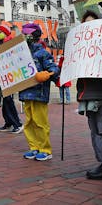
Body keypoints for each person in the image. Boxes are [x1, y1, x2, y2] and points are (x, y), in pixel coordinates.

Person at [75, 10, 102, 179]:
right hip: (89, 95)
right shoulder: (82, 48)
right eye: (85, 24)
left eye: (92, 24)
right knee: (95, 130)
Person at [17, 22, 59, 161]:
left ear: (33, 35)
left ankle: (45, 149)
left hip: (39, 93)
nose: (23, 37)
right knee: (29, 122)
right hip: (25, 92)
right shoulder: (21, 53)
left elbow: (53, 68)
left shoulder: (42, 53)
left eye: (26, 34)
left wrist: (48, 74)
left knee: (40, 122)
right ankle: (34, 147)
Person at [0, 24, 23, 134]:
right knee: (5, 100)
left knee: (8, 100)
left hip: (10, 76)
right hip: (2, 77)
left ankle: (17, 124)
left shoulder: (10, 44)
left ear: (5, 33)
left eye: (0, 31)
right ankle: (8, 123)